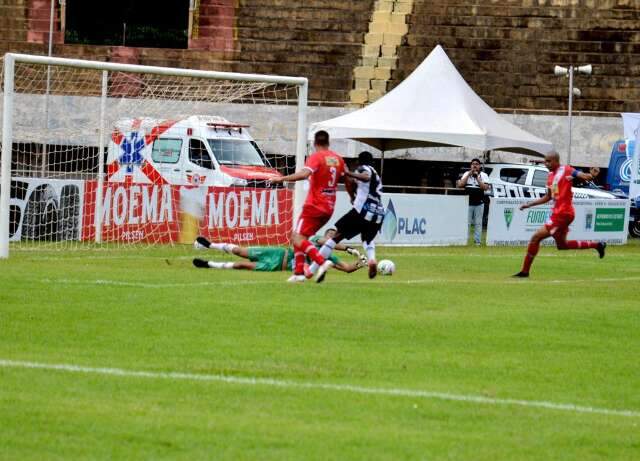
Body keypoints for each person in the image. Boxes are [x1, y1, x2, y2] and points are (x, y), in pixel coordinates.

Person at [514, 151, 606, 278]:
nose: (546, 164)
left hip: (563, 213)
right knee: (562, 245)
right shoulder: (551, 176)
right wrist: (529, 204)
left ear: (556, 161)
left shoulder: (567, 170)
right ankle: (597, 245)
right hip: (559, 213)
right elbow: (548, 197)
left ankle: (524, 272)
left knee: (536, 237)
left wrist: (591, 175)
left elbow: (583, 176)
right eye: (545, 161)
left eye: (548, 161)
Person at [269, 130, 346, 282]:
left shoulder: (316, 157)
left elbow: (304, 174)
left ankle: (322, 262)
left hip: (314, 205)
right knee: (300, 237)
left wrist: (280, 179)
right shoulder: (338, 159)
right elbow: (347, 177)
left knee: (296, 238)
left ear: (315, 143)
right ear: (328, 142)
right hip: (329, 207)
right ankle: (299, 273)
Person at [310, 151, 385, 282]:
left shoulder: (364, 168)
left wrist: (348, 172)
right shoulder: (376, 173)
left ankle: (311, 270)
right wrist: (351, 193)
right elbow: (355, 184)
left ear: (358, 161)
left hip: (363, 210)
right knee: (367, 239)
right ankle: (372, 259)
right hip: (378, 213)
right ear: (372, 161)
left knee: (334, 238)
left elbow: (365, 177)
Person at [192, 230, 366, 273]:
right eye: (329, 234)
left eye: (333, 236)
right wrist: (349, 248)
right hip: (277, 253)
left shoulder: (329, 257)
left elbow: (347, 268)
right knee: (239, 251)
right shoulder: (315, 240)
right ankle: (210, 245)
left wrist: (360, 264)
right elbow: (326, 241)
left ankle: (209, 265)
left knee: (242, 265)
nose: (330, 238)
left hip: (276, 266)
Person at [457, 158, 490, 245]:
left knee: (478, 223)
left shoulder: (484, 175)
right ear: (471, 166)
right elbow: (460, 185)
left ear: (479, 166)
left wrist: (477, 179)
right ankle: (465, 241)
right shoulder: (466, 174)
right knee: (466, 223)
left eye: (476, 164)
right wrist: (468, 175)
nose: (474, 165)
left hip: (479, 203)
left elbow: (486, 188)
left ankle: (477, 242)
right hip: (468, 203)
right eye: (473, 164)